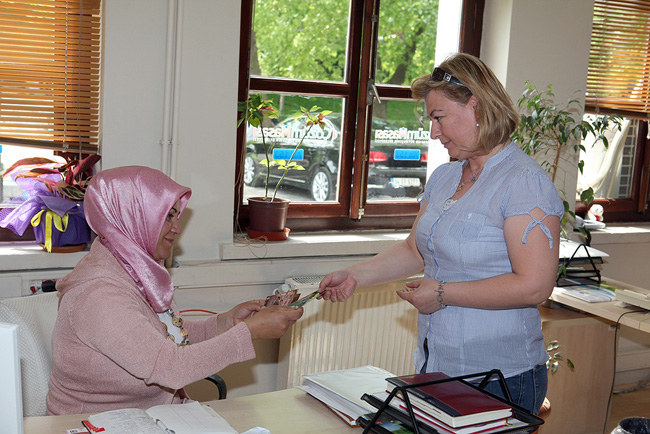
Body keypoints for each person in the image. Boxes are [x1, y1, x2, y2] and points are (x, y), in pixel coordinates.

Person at [318, 53, 563, 415]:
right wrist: (354, 275)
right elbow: (415, 251)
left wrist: (444, 293)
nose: (434, 132)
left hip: (500, 377)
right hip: (438, 366)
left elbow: (535, 286)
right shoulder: (446, 177)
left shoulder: (523, 183)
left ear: (476, 106)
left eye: (438, 117)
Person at [46, 166, 303, 415]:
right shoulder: (98, 294)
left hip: (144, 418)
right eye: (167, 216)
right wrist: (251, 332)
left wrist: (226, 323)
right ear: (133, 216)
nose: (177, 228)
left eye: (175, 216)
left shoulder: (133, 270)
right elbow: (170, 367)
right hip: (94, 425)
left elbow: (162, 336)